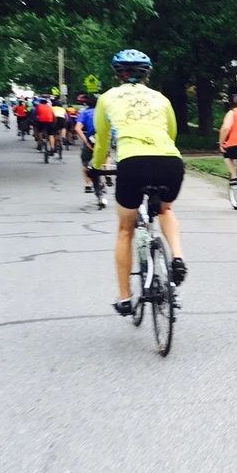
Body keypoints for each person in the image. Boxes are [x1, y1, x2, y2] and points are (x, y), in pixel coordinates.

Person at [92, 48, 187, 316]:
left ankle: (124, 298)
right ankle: (178, 257)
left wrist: (96, 166)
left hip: (133, 163)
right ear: (147, 74)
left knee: (125, 229)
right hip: (169, 161)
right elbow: (172, 132)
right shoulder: (161, 98)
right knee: (166, 209)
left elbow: (102, 138)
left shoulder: (108, 97)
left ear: (117, 74)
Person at [75, 94, 104, 206]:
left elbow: (77, 128)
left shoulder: (85, 113)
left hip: (91, 140)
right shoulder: (105, 113)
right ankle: (106, 177)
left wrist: (85, 141)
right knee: (105, 158)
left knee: (85, 162)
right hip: (102, 140)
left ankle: (88, 184)